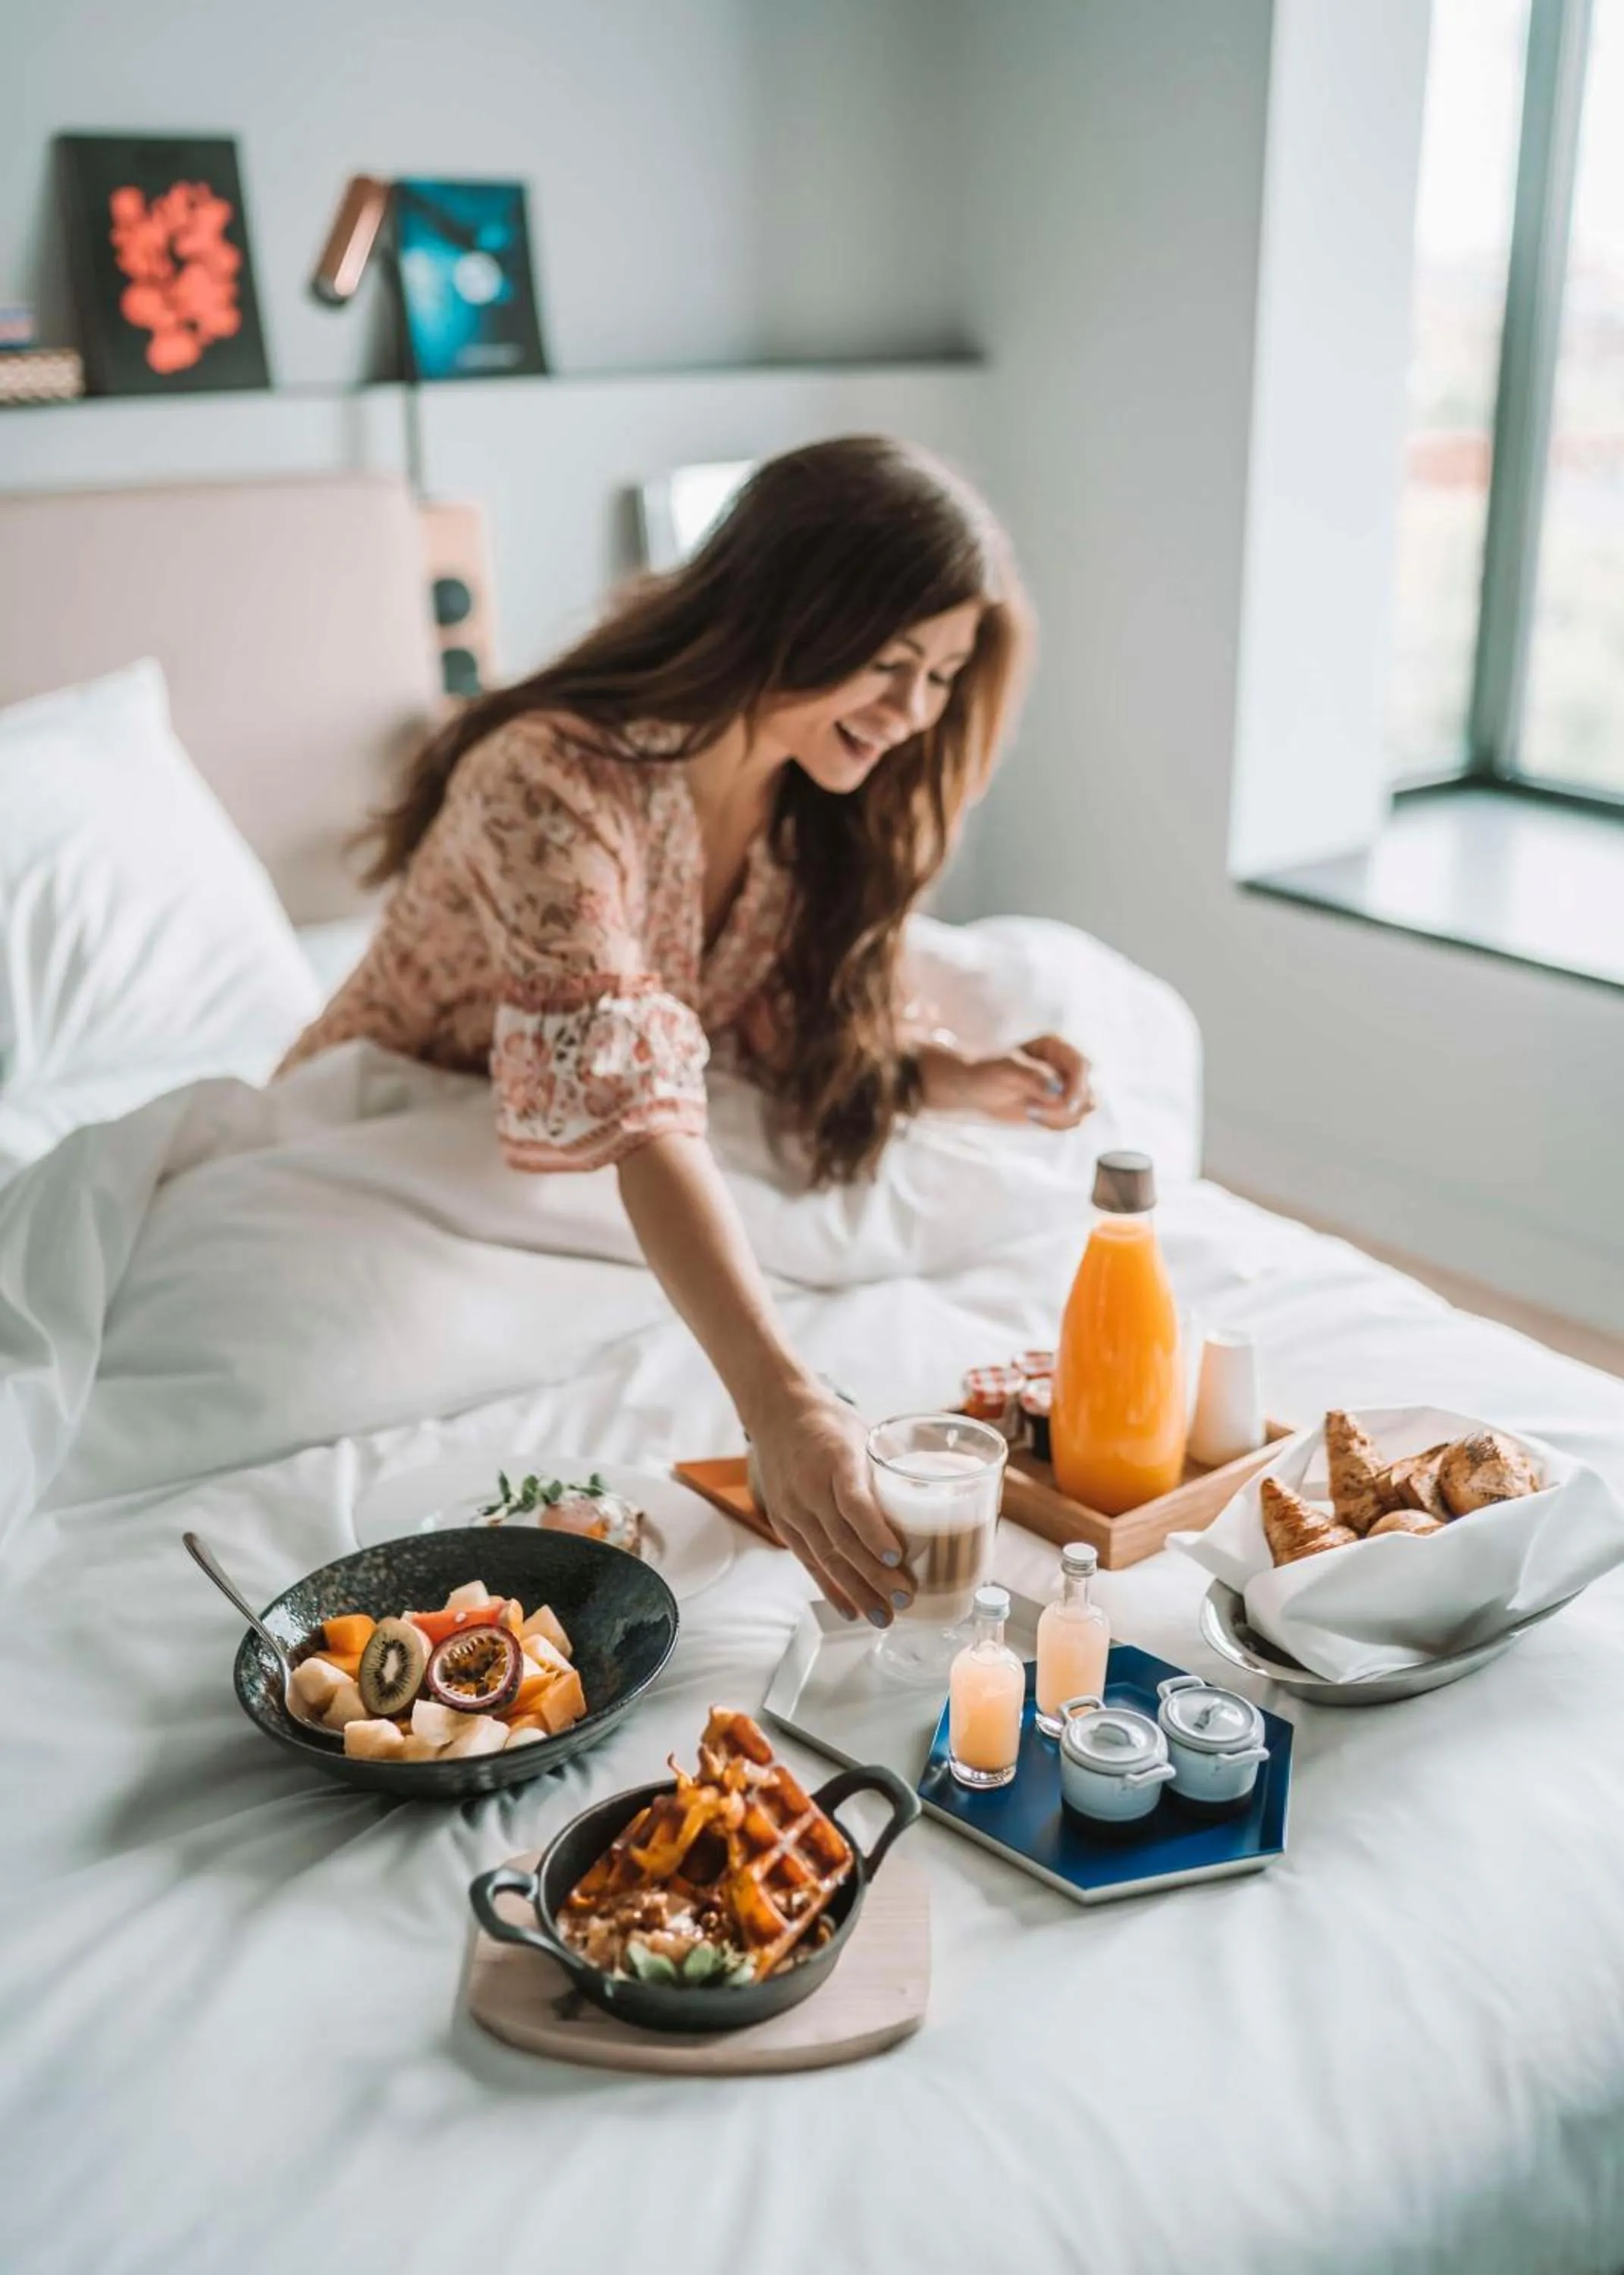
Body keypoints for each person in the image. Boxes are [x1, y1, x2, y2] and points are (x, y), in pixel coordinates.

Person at [281, 436, 1092, 1623]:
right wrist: (780, 1401)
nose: (913, 713)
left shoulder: (810, 803)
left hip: (607, 1166)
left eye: (941, 677)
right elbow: (634, 1090)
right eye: (891, 662)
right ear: (788, 609)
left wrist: (944, 1075)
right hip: (394, 1134)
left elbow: (757, 1025)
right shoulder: (547, 777)